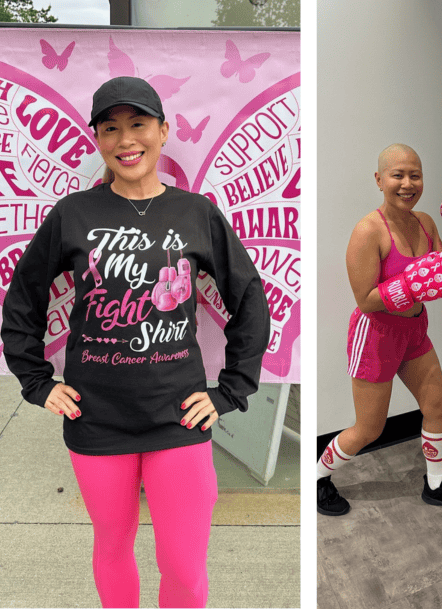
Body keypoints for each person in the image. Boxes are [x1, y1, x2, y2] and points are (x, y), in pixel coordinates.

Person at [0, 76, 271, 608]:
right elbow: (24, 297)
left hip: (179, 416)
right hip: (96, 418)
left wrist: (230, 389)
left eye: (139, 124)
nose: (126, 139)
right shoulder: (74, 213)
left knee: (185, 566)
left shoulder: (197, 212)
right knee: (113, 546)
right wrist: (35, 381)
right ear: (98, 140)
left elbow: (250, 297)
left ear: (163, 131)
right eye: (111, 128)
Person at [316, 143, 442, 520]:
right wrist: (408, 286)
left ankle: (437, 484)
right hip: (375, 334)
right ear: (379, 180)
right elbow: (365, 299)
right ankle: (317, 477)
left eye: (415, 175)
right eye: (398, 175)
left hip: (414, 330)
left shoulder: (426, 221)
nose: (408, 183)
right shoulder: (367, 231)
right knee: (368, 429)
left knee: (437, 406)